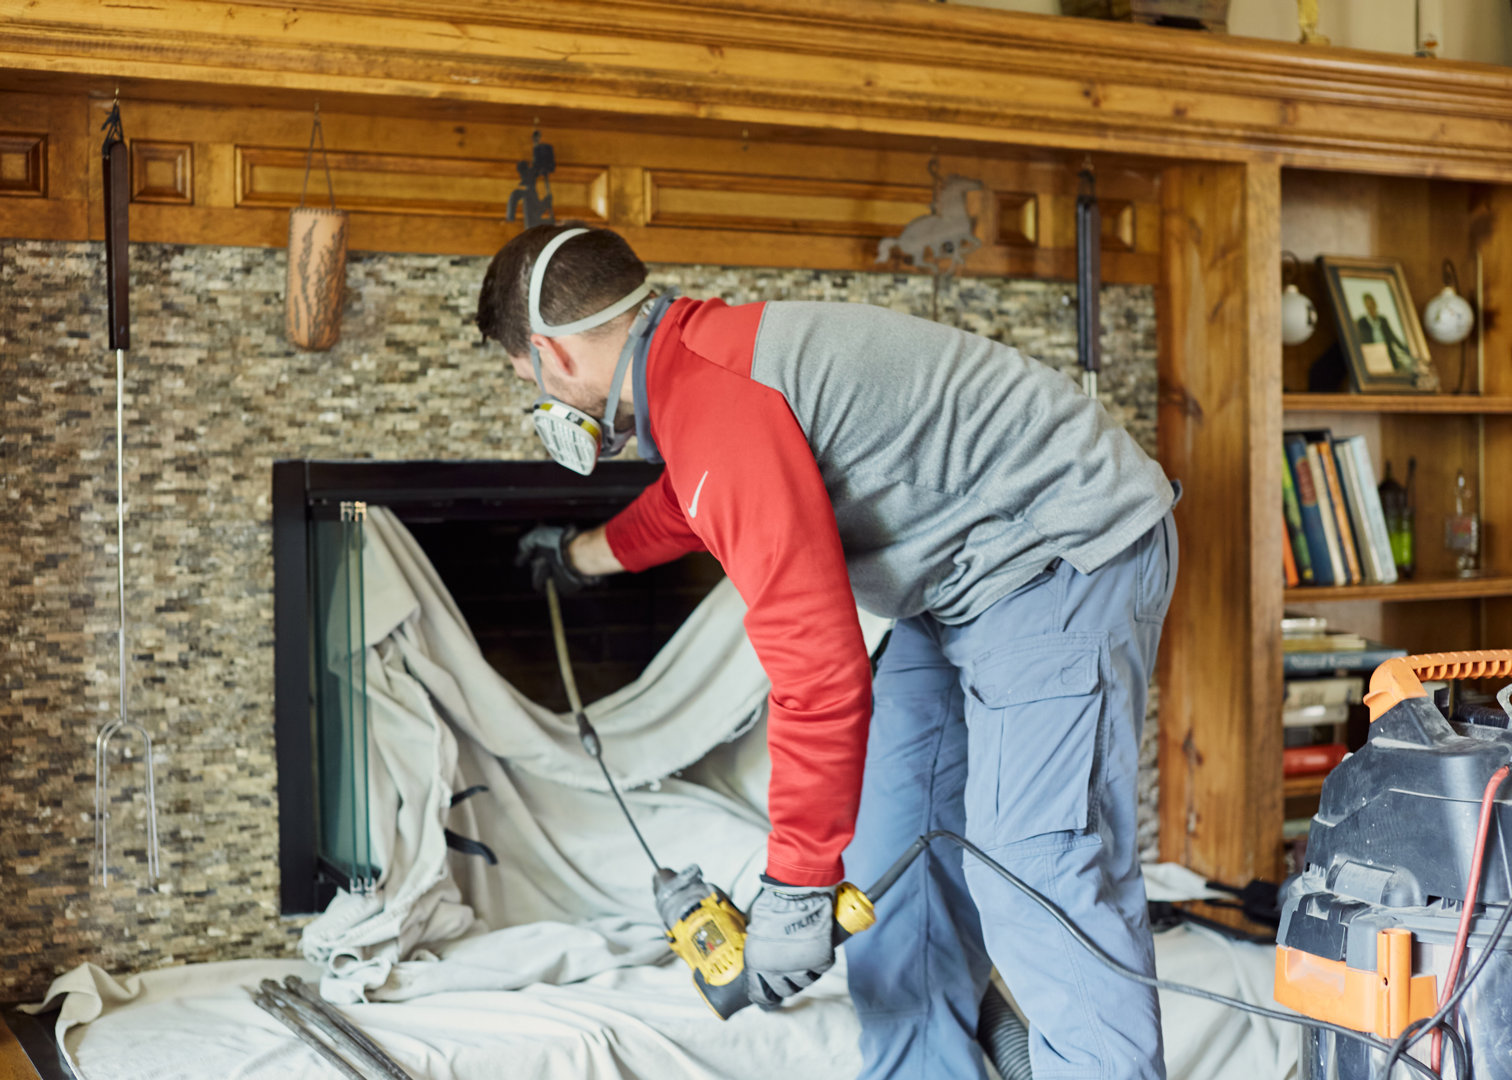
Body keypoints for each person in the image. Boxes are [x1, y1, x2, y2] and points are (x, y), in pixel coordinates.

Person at [476, 223, 1179, 1080]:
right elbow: (687, 503)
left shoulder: (716, 404)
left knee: (1034, 865)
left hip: (1057, 554)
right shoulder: (696, 370)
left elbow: (816, 668)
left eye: (527, 378)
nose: (542, 394)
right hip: (953, 586)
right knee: (898, 863)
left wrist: (798, 885)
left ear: (549, 352)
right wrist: (585, 554)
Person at [1356, 291, 1415, 373]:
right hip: (1373, 355)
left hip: (1388, 354)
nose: (1371, 308)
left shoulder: (1383, 320)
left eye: (1372, 305)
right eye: (1368, 306)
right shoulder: (1362, 322)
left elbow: (1392, 336)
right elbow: (1361, 340)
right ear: (1366, 307)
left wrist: (1408, 351)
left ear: (1375, 305)